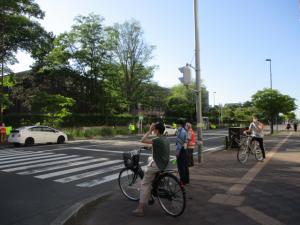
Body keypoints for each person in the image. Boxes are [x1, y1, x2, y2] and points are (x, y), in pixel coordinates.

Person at [132, 122, 170, 216]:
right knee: (150, 159)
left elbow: (143, 139)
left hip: (157, 165)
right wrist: (150, 147)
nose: (153, 130)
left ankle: (140, 209)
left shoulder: (157, 139)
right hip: (164, 163)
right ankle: (153, 190)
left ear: (156, 130)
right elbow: (156, 146)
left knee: (145, 184)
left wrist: (149, 130)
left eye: (154, 129)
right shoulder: (165, 139)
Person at [176, 119, 189, 185]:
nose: (176, 125)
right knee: (185, 165)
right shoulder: (184, 131)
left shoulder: (181, 131)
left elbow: (179, 143)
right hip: (184, 149)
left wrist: (177, 152)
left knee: (181, 166)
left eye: (177, 124)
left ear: (179, 124)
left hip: (181, 150)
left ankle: (182, 181)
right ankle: (186, 180)